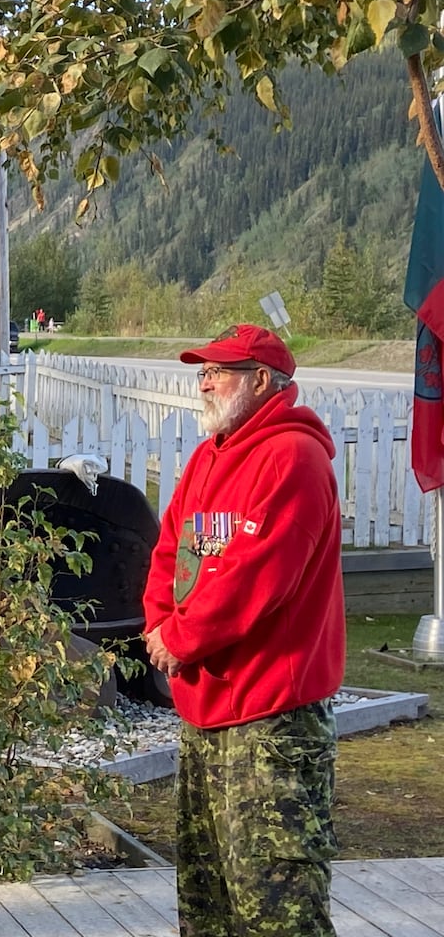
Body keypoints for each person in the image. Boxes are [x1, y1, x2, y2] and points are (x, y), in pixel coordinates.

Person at [142, 324, 345, 937]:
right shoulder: (208, 457)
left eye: (219, 371)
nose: (204, 381)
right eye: (201, 371)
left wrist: (179, 639)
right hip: (205, 710)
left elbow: (254, 578)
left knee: (277, 902)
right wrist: (158, 624)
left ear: (262, 382)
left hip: (273, 717)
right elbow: (170, 550)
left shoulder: (294, 458)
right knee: (209, 898)